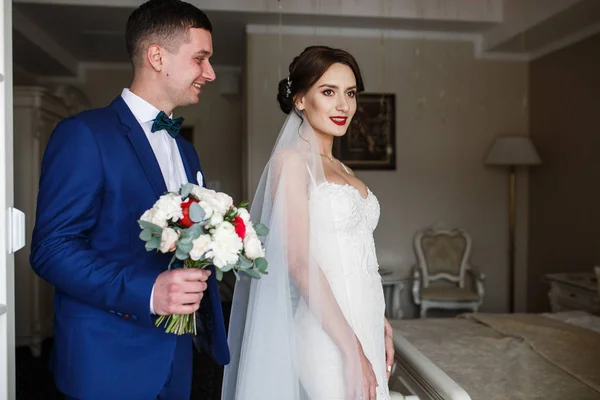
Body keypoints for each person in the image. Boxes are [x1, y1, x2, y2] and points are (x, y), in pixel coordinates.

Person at [29, 1, 229, 399]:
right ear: (157, 56)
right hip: (108, 360)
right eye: (200, 58)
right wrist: (149, 292)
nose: (210, 72)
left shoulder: (186, 151)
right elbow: (51, 249)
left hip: (177, 356)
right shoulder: (84, 134)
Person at [222, 46, 396, 400]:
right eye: (328, 92)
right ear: (300, 99)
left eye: (350, 94)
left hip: (364, 325)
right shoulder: (291, 163)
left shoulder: (344, 170)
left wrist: (380, 322)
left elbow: (355, 260)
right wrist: (352, 351)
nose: (343, 105)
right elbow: (299, 263)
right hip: (328, 338)